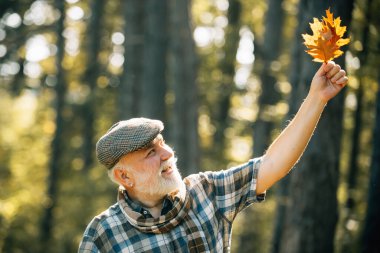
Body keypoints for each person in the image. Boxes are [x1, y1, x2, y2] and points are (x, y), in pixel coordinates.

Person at [78, 61, 348, 253]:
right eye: (151, 153)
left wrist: (317, 98)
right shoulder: (103, 235)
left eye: (163, 144)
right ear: (124, 176)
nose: (168, 153)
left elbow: (273, 164)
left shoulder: (207, 193)